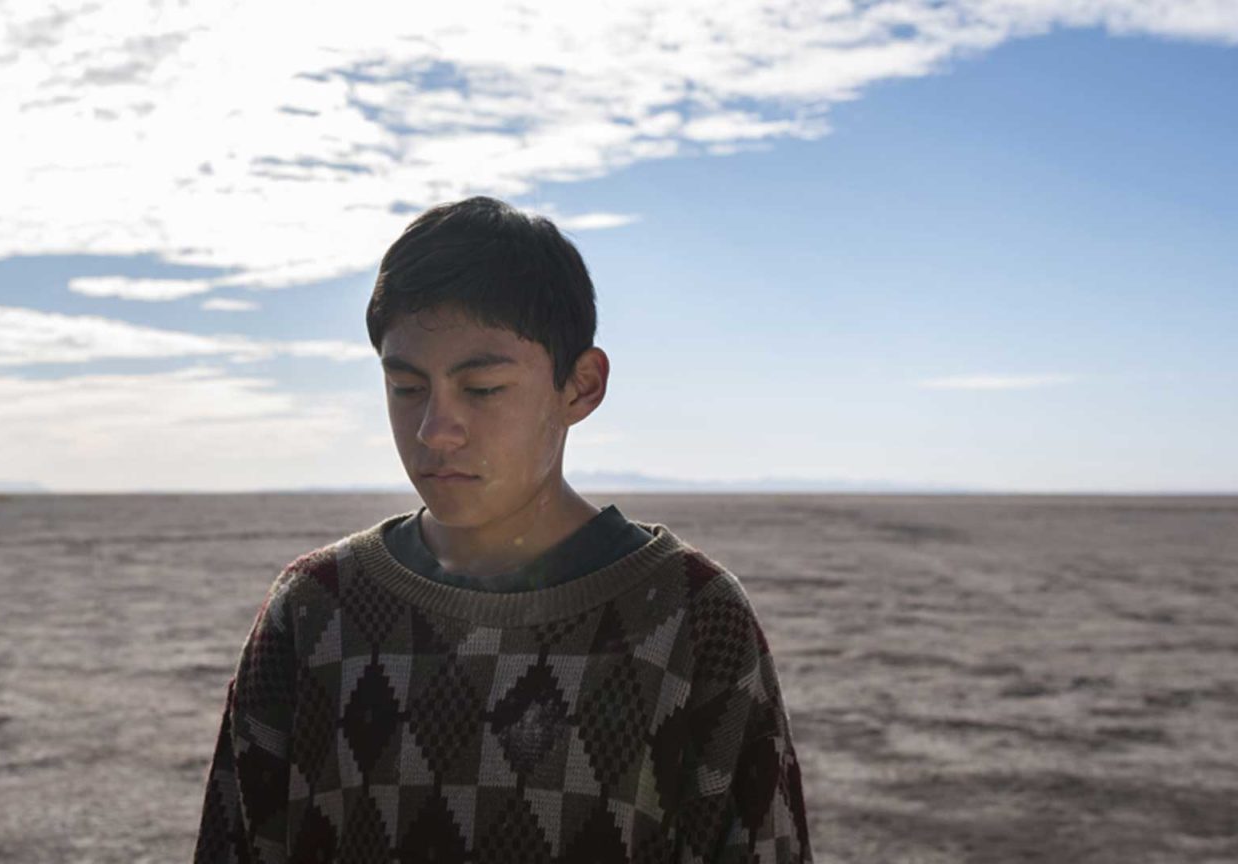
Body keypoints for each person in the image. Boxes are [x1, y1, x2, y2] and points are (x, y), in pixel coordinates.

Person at [191, 196, 813, 863]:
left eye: (483, 388)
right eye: (406, 388)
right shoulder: (315, 609)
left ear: (580, 387)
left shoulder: (692, 618)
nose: (435, 430)